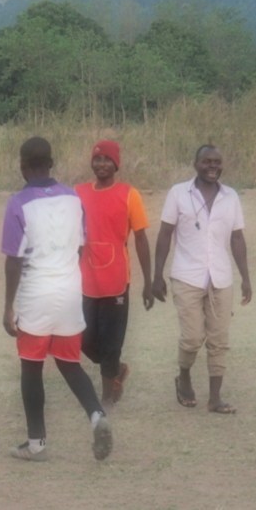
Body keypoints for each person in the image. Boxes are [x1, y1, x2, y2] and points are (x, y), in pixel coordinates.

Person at [2, 136, 112, 462]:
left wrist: (9, 306)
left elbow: (14, 260)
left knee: (32, 368)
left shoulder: (17, 203)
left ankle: (36, 443)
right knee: (69, 363)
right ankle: (96, 415)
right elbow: (80, 246)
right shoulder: (74, 198)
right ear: (52, 163)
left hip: (36, 294)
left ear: (22, 166)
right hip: (69, 292)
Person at [152, 144, 252, 414]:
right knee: (193, 337)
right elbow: (164, 234)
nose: (213, 166)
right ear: (195, 164)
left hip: (221, 277)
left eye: (217, 162)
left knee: (219, 338)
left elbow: (237, 237)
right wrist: (156, 275)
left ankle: (215, 398)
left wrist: (246, 277)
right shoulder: (178, 194)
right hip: (186, 275)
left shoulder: (230, 196)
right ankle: (183, 376)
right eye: (207, 161)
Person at [75, 140, 153, 406]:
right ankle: (116, 368)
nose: (102, 165)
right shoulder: (79, 193)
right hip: (85, 279)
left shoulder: (129, 194)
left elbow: (141, 239)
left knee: (111, 340)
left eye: (108, 160)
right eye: (97, 159)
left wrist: (149, 281)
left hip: (116, 281)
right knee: (82, 338)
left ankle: (107, 396)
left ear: (116, 164)